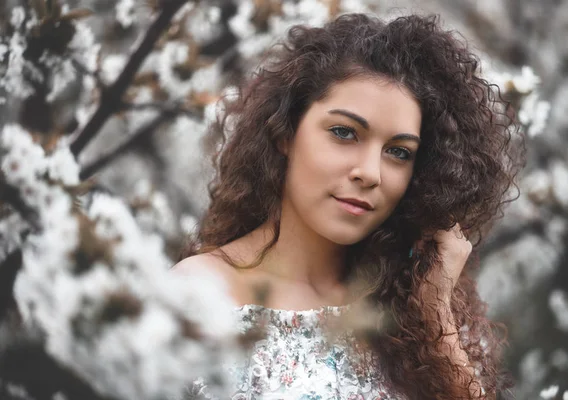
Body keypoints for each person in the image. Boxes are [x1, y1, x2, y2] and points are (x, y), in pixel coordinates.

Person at [172, 12, 524, 400]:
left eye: (398, 152)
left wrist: (436, 311)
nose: (370, 172)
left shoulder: (406, 317)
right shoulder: (197, 294)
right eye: (344, 132)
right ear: (285, 131)